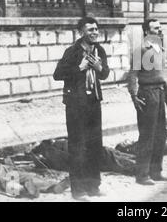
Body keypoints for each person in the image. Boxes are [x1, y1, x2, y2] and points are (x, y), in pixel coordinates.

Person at [53, 17, 110, 201]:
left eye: (96, 29)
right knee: (78, 146)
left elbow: (105, 73)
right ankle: (78, 190)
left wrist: (99, 67)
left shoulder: (99, 50)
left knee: (95, 145)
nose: (94, 32)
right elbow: (57, 74)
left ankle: (93, 186)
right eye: (90, 30)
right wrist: (80, 67)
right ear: (81, 32)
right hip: (76, 104)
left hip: (94, 102)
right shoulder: (72, 51)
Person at [127, 19, 167, 185]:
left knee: (160, 135)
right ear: (146, 32)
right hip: (147, 94)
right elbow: (132, 75)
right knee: (147, 135)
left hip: (160, 93)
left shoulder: (159, 49)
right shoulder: (140, 50)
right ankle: (142, 175)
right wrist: (134, 96)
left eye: (160, 28)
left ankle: (156, 172)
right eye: (156, 28)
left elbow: (160, 76)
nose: (160, 31)